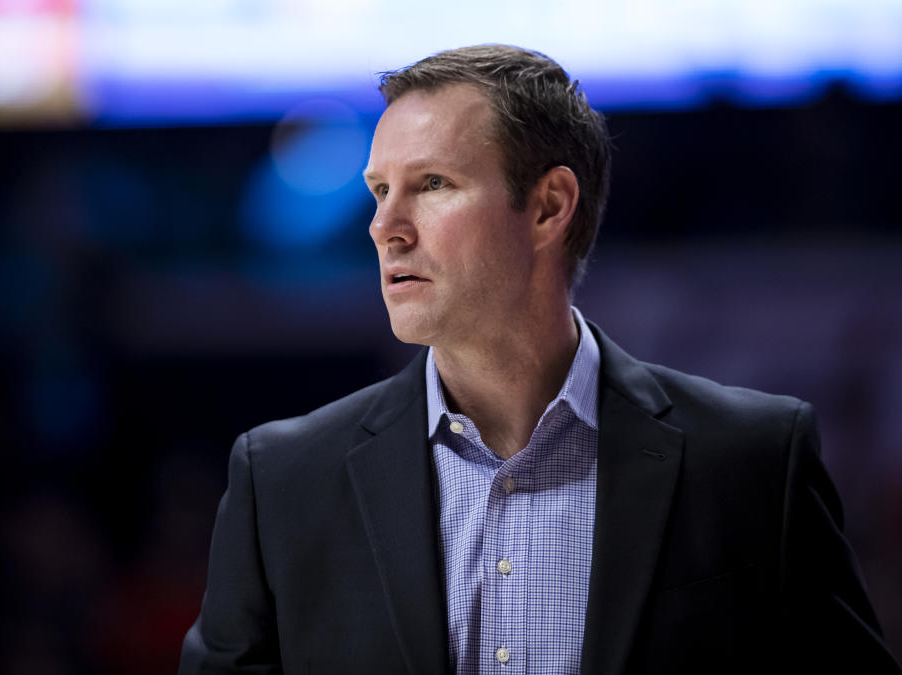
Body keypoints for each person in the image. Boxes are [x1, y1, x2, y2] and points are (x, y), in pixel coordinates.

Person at [179, 45, 900, 674]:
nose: (384, 227)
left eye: (431, 185)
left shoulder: (751, 461)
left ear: (550, 206)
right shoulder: (281, 482)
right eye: (379, 190)